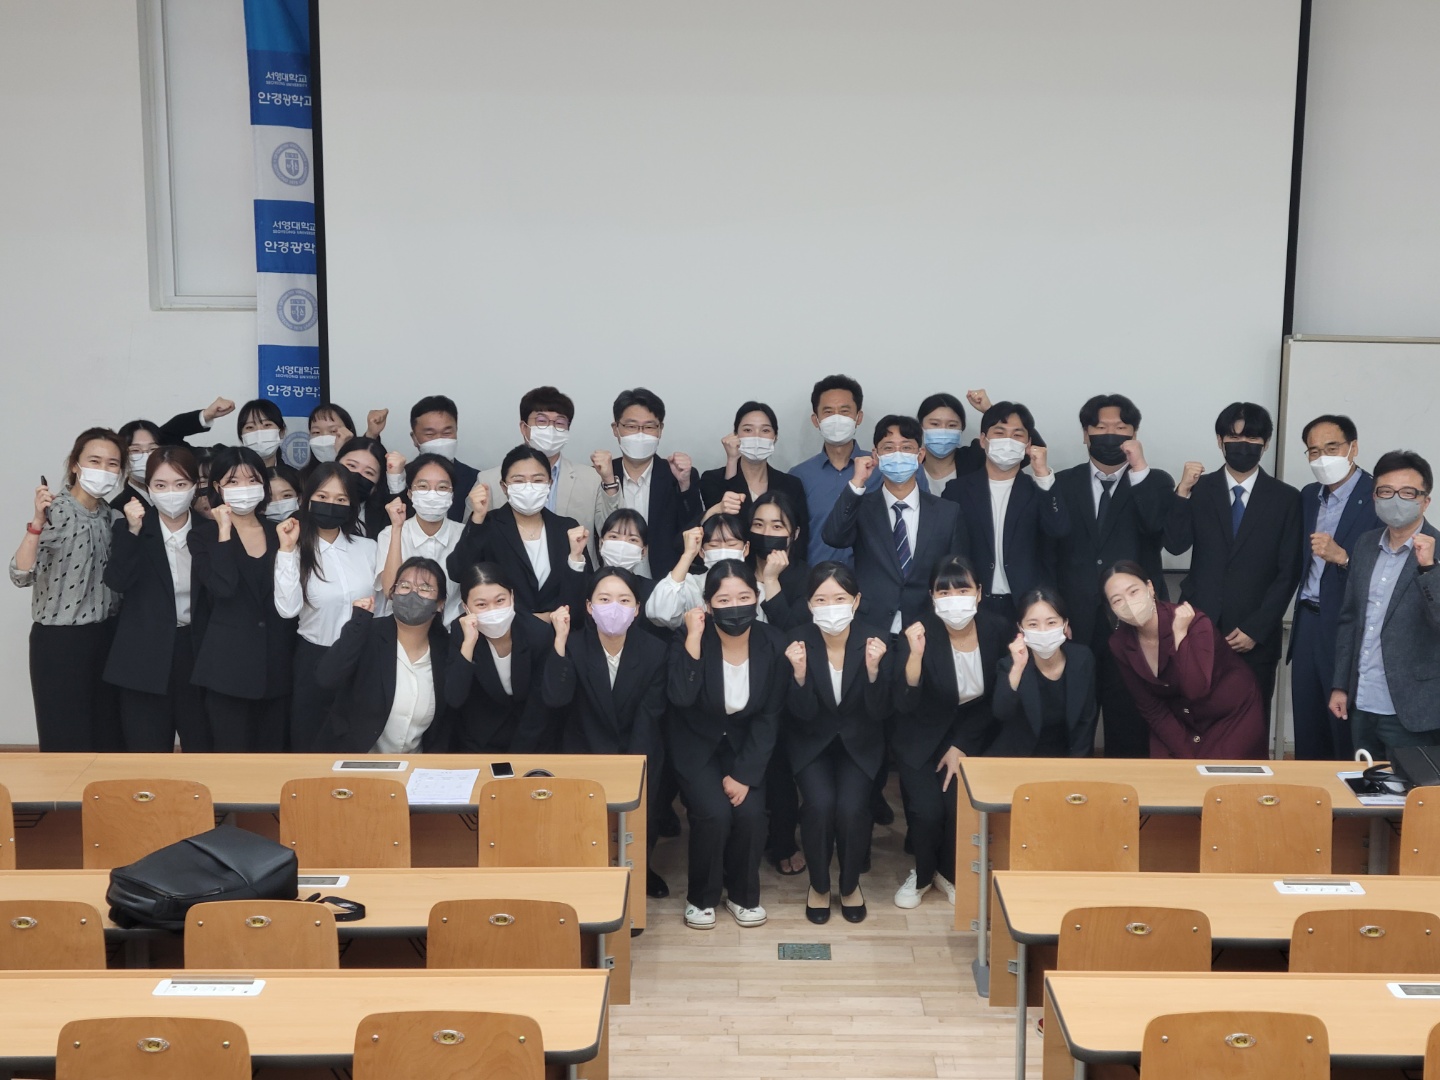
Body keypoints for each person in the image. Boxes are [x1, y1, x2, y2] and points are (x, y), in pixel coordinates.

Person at [1051, 393, 1175, 758]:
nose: (1110, 435)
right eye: (1101, 428)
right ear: (1085, 434)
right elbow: (1050, 552)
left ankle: (1128, 787)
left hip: (1132, 619)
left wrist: (1139, 469)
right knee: (1074, 717)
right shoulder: (1062, 483)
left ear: (1134, 434)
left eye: (1120, 428)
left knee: (1130, 720)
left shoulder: (1154, 481)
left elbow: (1156, 529)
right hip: (1075, 619)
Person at [1167, 403, 1304, 724]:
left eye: (1252, 438)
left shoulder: (1286, 498)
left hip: (1255, 637)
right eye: (1234, 437)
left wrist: (1257, 628)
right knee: (1195, 722)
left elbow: (1289, 571)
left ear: (1265, 444)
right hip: (1198, 627)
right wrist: (1182, 492)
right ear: (1220, 441)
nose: (1243, 444)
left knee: (1250, 723)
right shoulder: (1198, 489)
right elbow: (1174, 545)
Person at [668, 559, 785, 930]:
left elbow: (770, 716)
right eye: (723, 599)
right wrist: (692, 639)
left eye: (744, 597)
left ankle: (743, 896)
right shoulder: (690, 638)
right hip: (697, 745)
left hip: (745, 747)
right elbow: (681, 697)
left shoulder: (773, 643)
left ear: (757, 598)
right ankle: (701, 898)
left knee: (751, 815)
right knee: (714, 814)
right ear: (707, 604)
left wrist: (745, 775)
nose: (735, 606)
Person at [891, 555, 1009, 909]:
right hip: (921, 734)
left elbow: (997, 699)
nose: (954, 598)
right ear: (932, 596)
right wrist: (914, 657)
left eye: (963, 590)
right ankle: (922, 875)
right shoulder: (918, 631)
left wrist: (961, 744)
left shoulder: (998, 629)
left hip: (973, 733)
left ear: (979, 593)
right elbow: (904, 703)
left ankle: (948, 873)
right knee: (927, 812)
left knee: (959, 807)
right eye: (944, 592)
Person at [543, 568, 670, 895]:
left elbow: (650, 715)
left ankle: (641, 868)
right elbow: (556, 699)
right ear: (589, 606)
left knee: (643, 809)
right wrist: (559, 641)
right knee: (584, 823)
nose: (614, 607)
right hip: (583, 747)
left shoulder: (655, 651)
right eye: (604, 599)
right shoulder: (573, 645)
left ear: (637, 609)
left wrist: (628, 767)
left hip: (636, 747)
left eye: (624, 600)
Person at [783, 562, 891, 924]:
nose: (831, 606)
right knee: (819, 805)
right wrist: (799, 676)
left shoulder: (877, 639)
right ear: (809, 604)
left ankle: (849, 885)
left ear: (856, 601)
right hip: (812, 743)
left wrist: (874, 672)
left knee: (852, 808)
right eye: (821, 599)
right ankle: (818, 885)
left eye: (840, 598)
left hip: (860, 744)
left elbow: (881, 712)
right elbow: (799, 715)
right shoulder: (796, 639)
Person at [10, 428, 125, 751]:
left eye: (112, 463)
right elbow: (20, 574)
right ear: (75, 464)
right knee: (64, 737)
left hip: (106, 635)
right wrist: (36, 522)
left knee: (107, 734)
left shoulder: (110, 515)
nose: (103, 470)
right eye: (94, 461)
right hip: (60, 641)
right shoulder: (56, 510)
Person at [102, 445, 215, 752]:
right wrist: (133, 531)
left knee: (203, 747)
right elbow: (117, 581)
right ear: (149, 488)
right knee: (146, 751)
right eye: (161, 485)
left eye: (180, 484)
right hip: (144, 654)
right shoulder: (129, 528)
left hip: (197, 651)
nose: (171, 493)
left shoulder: (211, 531)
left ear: (195, 486)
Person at [1331, 451, 1440, 758]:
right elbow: (1350, 620)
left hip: (1414, 709)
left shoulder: (1437, 550)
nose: (1396, 500)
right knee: (1365, 783)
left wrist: (1429, 569)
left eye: (1408, 493)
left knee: (1413, 787)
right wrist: (1341, 685)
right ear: (1375, 497)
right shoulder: (1366, 545)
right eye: (1386, 491)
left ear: (1425, 501)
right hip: (1362, 701)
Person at [1103, 562, 1267, 758]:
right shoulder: (1120, 643)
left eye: (1133, 592)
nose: (1129, 603)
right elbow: (1151, 708)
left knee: (1216, 773)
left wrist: (1180, 636)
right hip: (1179, 719)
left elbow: (1195, 689)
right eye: (1117, 600)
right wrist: (1187, 755)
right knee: (1168, 772)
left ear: (1150, 587)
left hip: (1229, 713)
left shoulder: (1194, 622)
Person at [821, 414, 967, 634]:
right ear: (876, 455)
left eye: (906, 448)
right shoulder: (862, 506)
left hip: (928, 625)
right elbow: (833, 536)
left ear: (920, 455)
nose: (898, 454)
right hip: (871, 625)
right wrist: (857, 482)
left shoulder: (948, 512)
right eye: (888, 448)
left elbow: (957, 571)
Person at [188, 445, 293, 751]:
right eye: (233, 481)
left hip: (277, 664)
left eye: (252, 480)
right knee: (230, 758)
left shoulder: (280, 532)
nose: (244, 488)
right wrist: (224, 532)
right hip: (227, 669)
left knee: (274, 757)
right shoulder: (203, 536)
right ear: (217, 487)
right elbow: (223, 588)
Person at [1287, 415, 1378, 760]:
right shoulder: (1309, 496)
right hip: (1307, 622)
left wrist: (1344, 558)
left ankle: (1350, 792)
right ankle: (1312, 792)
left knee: (1343, 726)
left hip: (1348, 626)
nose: (1322, 458)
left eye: (1331, 448)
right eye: (1313, 451)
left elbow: (1390, 567)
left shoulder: (1377, 496)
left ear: (1353, 448)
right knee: (1307, 723)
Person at [274, 462, 379, 751]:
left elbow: (383, 605)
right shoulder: (294, 549)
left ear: (352, 505)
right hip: (315, 659)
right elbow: (287, 609)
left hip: (362, 659)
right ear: (306, 499)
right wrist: (286, 550)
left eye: (341, 499)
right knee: (311, 743)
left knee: (360, 742)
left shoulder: (367, 548)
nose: (331, 504)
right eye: (322, 496)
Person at [311, 556, 453, 753]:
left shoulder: (446, 649)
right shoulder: (367, 632)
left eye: (425, 588)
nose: (413, 593)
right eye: (405, 586)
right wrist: (358, 623)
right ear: (392, 593)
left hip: (415, 762)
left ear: (440, 603)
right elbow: (326, 677)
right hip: (355, 760)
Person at [943, 400, 1067, 623]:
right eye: (999, 433)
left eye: (1017, 435)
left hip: (1028, 605)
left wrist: (1043, 474)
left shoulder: (1040, 488)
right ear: (983, 440)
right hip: (974, 604)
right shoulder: (957, 490)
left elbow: (1058, 530)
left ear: (1028, 444)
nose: (1008, 441)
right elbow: (950, 550)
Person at [474, 387, 620, 560]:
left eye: (559, 423)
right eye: (541, 421)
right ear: (524, 427)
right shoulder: (488, 480)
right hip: (506, 574)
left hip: (575, 572)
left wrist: (608, 480)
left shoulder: (591, 479)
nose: (550, 429)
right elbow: (471, 543)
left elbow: (614, 532)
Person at [446, 446, 590, 620]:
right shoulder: (488, 525)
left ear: (550, 484)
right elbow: (458, 572)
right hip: (505, 631)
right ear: (504, 487)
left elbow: (585, 588)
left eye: (538, 480)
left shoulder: (566, 528)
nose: (529, 487)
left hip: (560, 630)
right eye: (519, 481)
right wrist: (477, 519)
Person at [445, 562, 561, 752]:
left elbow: (540, 703)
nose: (493, 611)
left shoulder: (537, 633)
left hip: (532, 738)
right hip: (479, 740)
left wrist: (520, 753)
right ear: (466, 608)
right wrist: (469, 644)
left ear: (512, 597)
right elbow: (454, 697)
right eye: (481, 605)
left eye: (500, 601)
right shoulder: (461, 632)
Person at [596, 387, 700, 579]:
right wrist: (607, 480)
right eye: (631, 426)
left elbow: (693, 529)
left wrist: (685, 484)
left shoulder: (676, 475)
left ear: (660, 430)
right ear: (616, 429)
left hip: (664, 582)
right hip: (609, 583)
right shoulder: (600, 474)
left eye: (649, 427)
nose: (640, 434)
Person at [989, 588, 1098, 756]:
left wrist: (1076, 766)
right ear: (1021, 628)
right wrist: (1018, 668)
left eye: (1051, 623)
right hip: (1018, 756)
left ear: (1065, 624)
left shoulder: (1082, 658)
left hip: (1065, 755)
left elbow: (1086, 720)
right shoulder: (1010, 664)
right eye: (1033, 624)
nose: (1043, 631)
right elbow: (1001, 712)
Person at [790, 374, 881, 566]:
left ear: (859, 417)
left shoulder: (879, 469)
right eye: (828, 412)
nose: (837, 418)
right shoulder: (799, 476)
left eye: (845, 411)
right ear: (816, 420)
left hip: (868, 578)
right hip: (815, 578)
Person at [699, 401, 810, 550]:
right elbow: (723, 523)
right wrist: (732, 461)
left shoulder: (791, 484)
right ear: (735, 435)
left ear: (775, 438)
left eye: (765, 430)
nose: (757, 437)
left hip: (779, 562)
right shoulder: (712, 479)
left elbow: (800, 537)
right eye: (748, 430)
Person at [373, 454, 464, 625]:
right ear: (410, 493)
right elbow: (390, 591)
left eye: (442, 487)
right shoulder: (389, 533)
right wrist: (397, 529)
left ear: (452, 494)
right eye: (423, 486)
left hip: (450, 630)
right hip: (401, 629)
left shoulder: (464, 534)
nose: (432, 494)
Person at [112, 397, 236, 510]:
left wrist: (206, 414)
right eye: (135, 450)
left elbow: (168, 434)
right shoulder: (119, 507)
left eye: (152, 449)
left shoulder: (186, 491)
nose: (146, 456)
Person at [392, 395, 478, 523]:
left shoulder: (475, 479)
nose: (439, 440)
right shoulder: (400, 477)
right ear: (414, 438)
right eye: (430, 434)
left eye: (447, 433)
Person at [917, 392, 984, 496]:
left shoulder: (975, 458)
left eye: (952, 425)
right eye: (935, 424)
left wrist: (988, 410)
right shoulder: (908, 466)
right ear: (920, 426)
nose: (943, 430)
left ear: (961, 429)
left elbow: (1007, 448)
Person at [336, 436, 391, 538]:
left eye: (368, 472)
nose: (357, 474)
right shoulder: (314, 505)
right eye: (352, 465)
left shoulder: (383, 518)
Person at [304, 402, 358, 468]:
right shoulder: (303, 474)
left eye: (333, 431)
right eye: (316, 432)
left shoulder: (359, 470)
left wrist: (343, 453)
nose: (324, 437)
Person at [236, 399, 287, 468]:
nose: (259, 432)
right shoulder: (229, 473)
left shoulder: (293, 474)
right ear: (241, 436)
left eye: (267, 425)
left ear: (281, 432)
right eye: (250, 427)